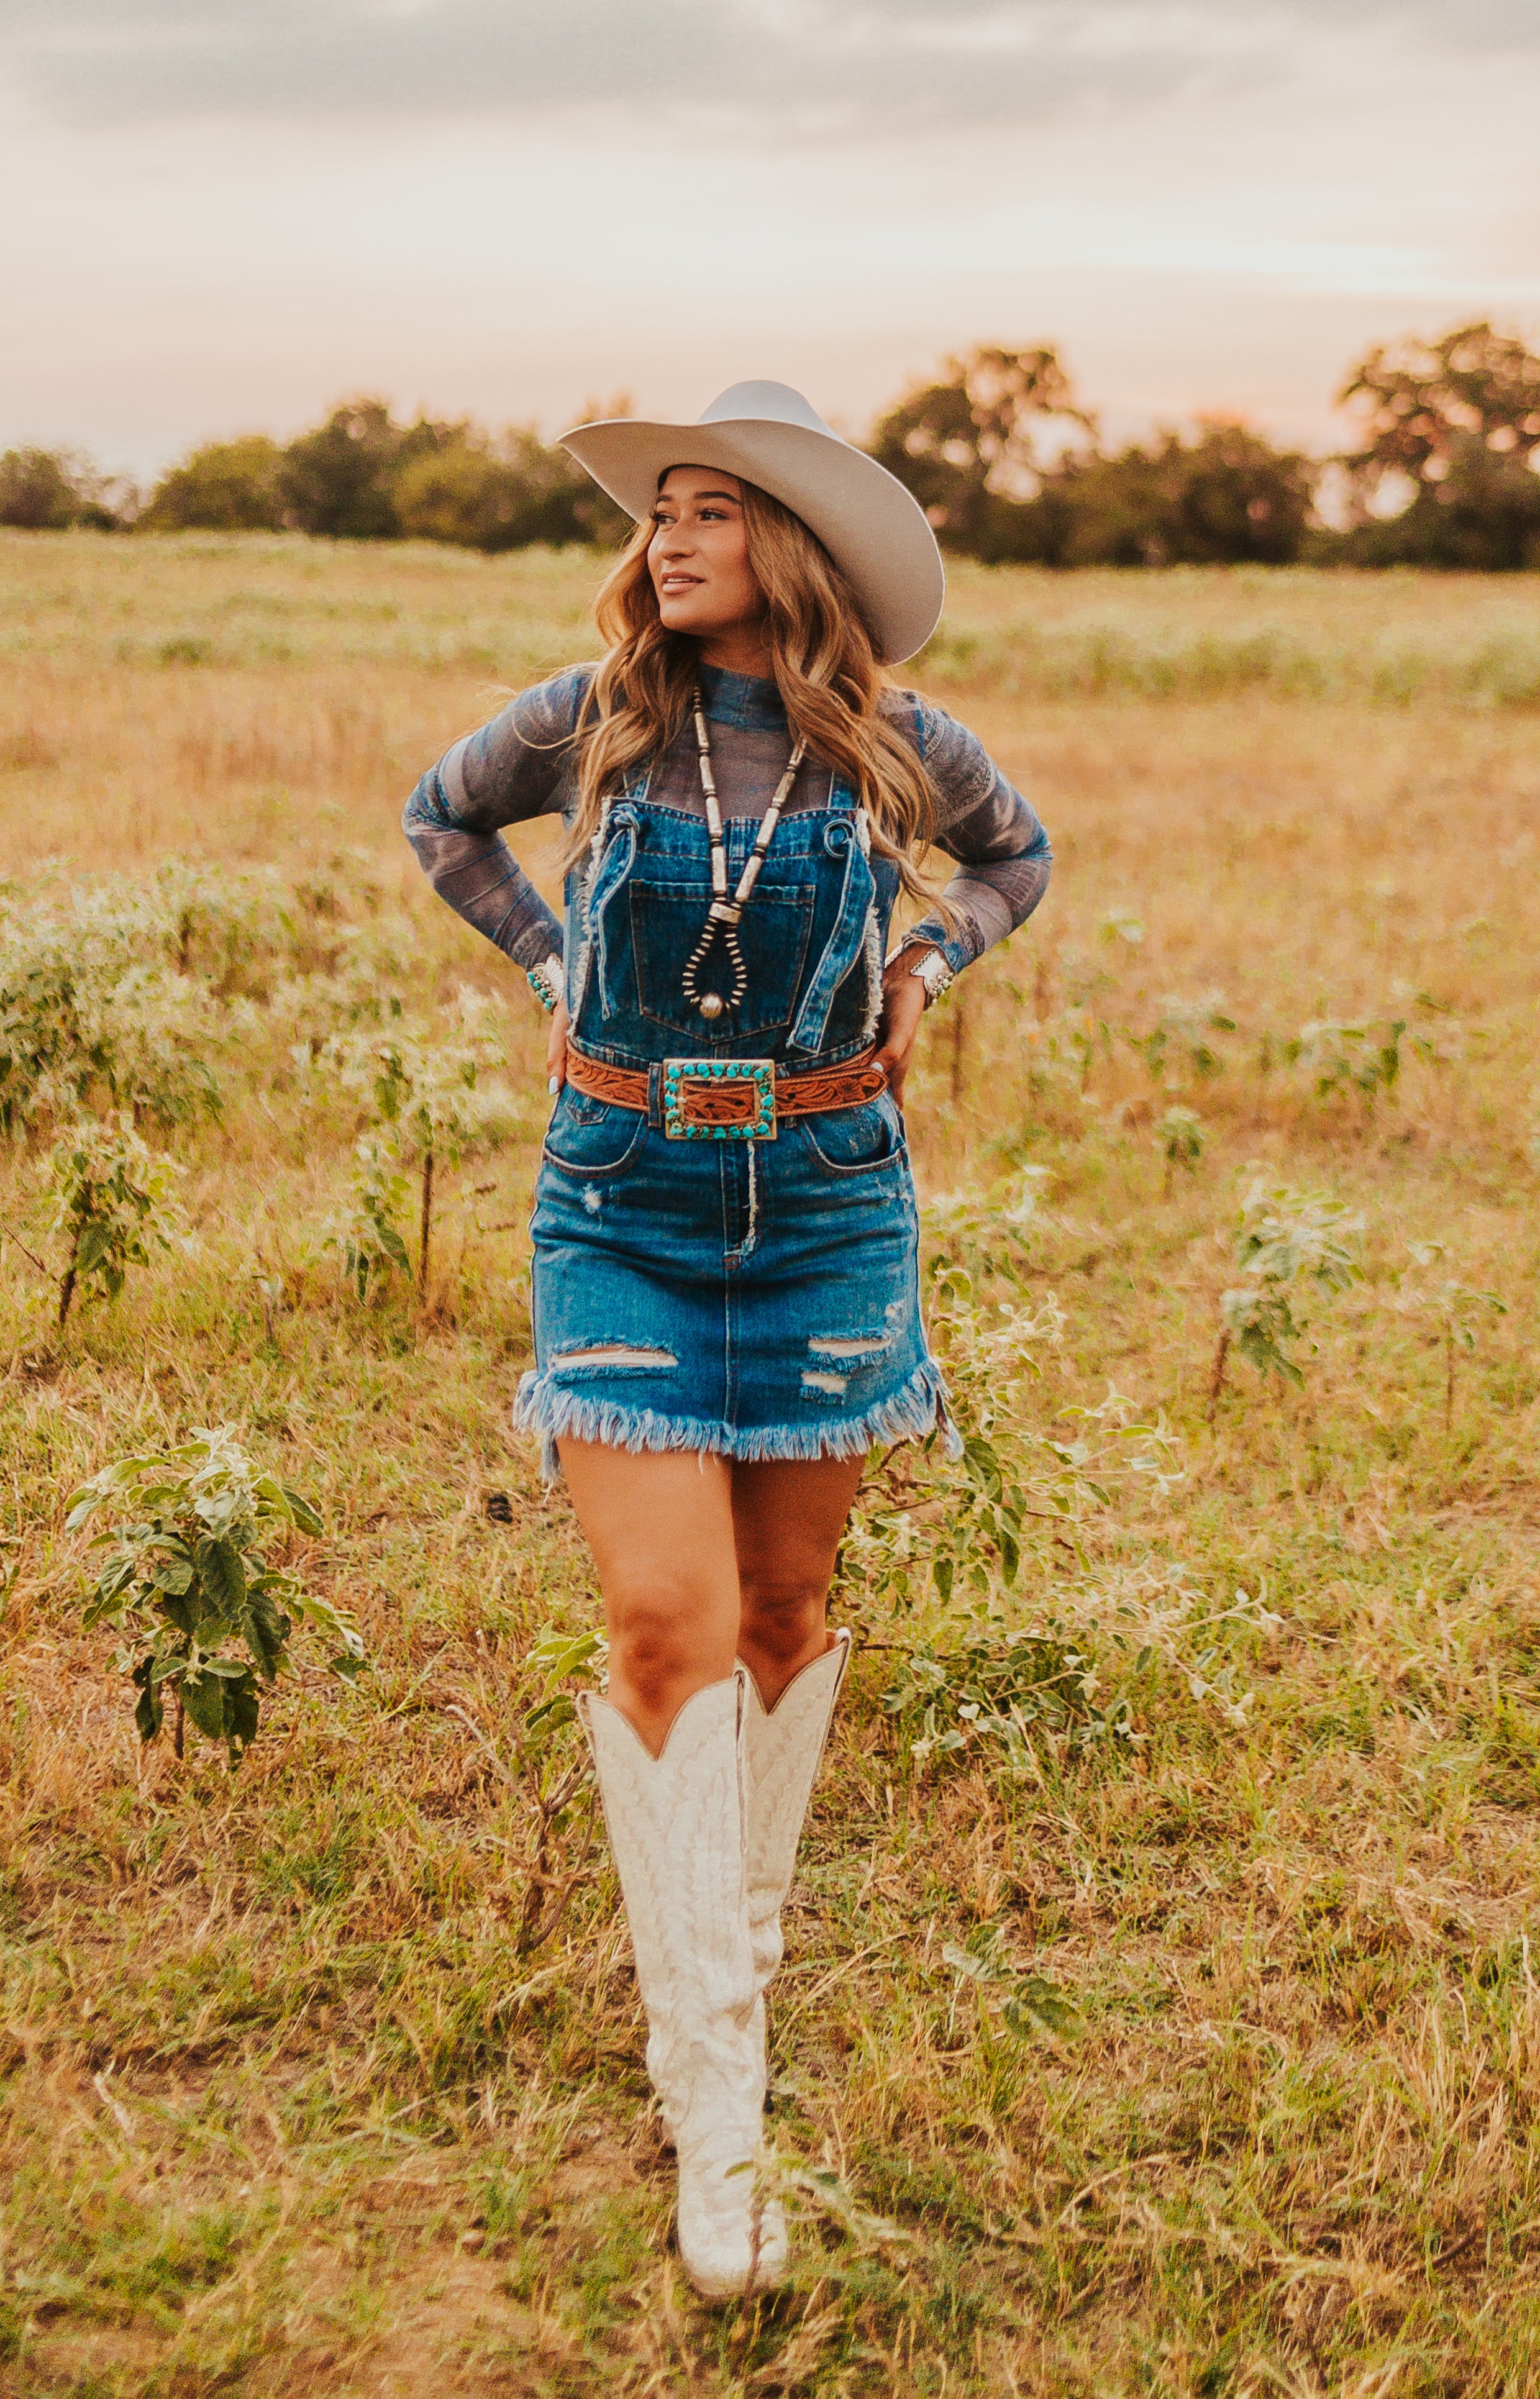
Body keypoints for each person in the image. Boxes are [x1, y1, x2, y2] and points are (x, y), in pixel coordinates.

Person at [402, 380, 1050, 2298]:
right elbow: (442, 818)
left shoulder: (894, 744)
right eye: (661, 512)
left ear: (796, 549)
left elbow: (1020, 858)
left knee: (784, 1617)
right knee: (666, 1630)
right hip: (620, 1206)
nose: (669, 539)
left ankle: (731, 1929)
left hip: (836, 1204)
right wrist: (546, 958)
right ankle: (722, 2110)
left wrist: (933, 954)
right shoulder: (595, 720)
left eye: (710, 511)